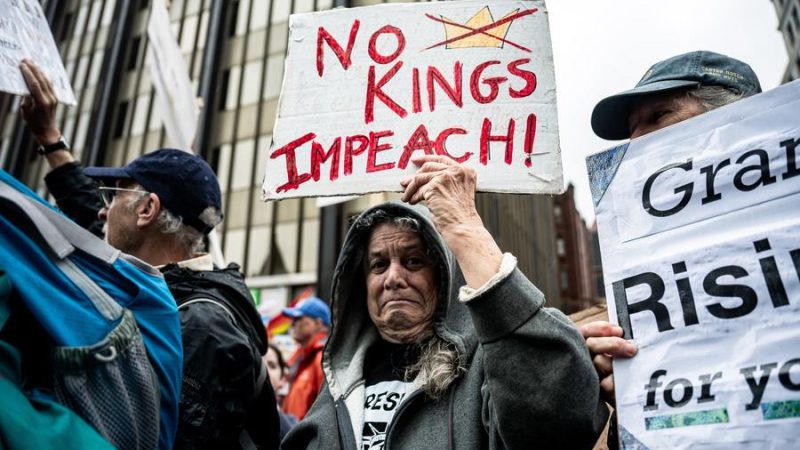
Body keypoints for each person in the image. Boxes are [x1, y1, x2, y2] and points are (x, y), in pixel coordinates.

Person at [18, 59, 281, 449]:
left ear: (147, 210)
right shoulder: (156, 284)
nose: (104, 210)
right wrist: (50, 138)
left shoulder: (197, 326)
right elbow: (91, 220)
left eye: (116, 194)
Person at [282, 154, 608, 449]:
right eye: (378, 264)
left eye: (412, 262)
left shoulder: (484, 366)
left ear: (443, 279)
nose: (392, 277)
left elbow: (557, 428)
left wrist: (464, 228)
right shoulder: (338, 385)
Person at [583, 50, 762, 403]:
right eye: (632, 128)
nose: (635, 140)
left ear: (732, 115)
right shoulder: (640, 252)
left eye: (658, 116)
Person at [280, 297, 330, 421]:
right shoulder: (301, 356)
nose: (292, 324)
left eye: (298, 319)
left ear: (318, 324)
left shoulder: (322, 359)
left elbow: (327, 410)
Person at [265, 343, 297, 439]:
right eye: (258, 361)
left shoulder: (293, 424)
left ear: (282, 379)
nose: (263, 368)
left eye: (271, 365)